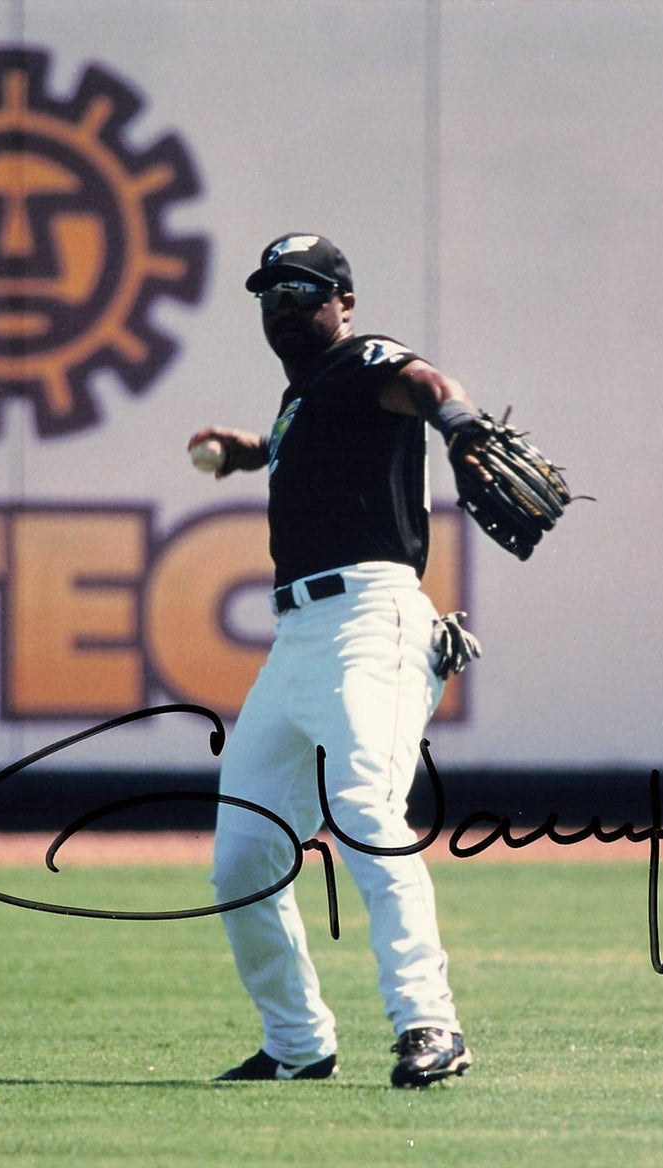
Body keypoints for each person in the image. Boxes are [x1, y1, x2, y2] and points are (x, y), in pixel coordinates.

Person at [189, 233, 482, 1088]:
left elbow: (425, 386)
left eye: (301, 290)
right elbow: (301, 445)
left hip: (370, 623)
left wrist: (458, 424)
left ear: (342, 301)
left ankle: (430, 1023)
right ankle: (297, 1043)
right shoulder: (305, 400)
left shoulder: (362, 362)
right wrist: (249, 450)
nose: (282, 307)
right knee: (243, 853)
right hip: (295, 643)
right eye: (268, 294)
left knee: (361, 812)